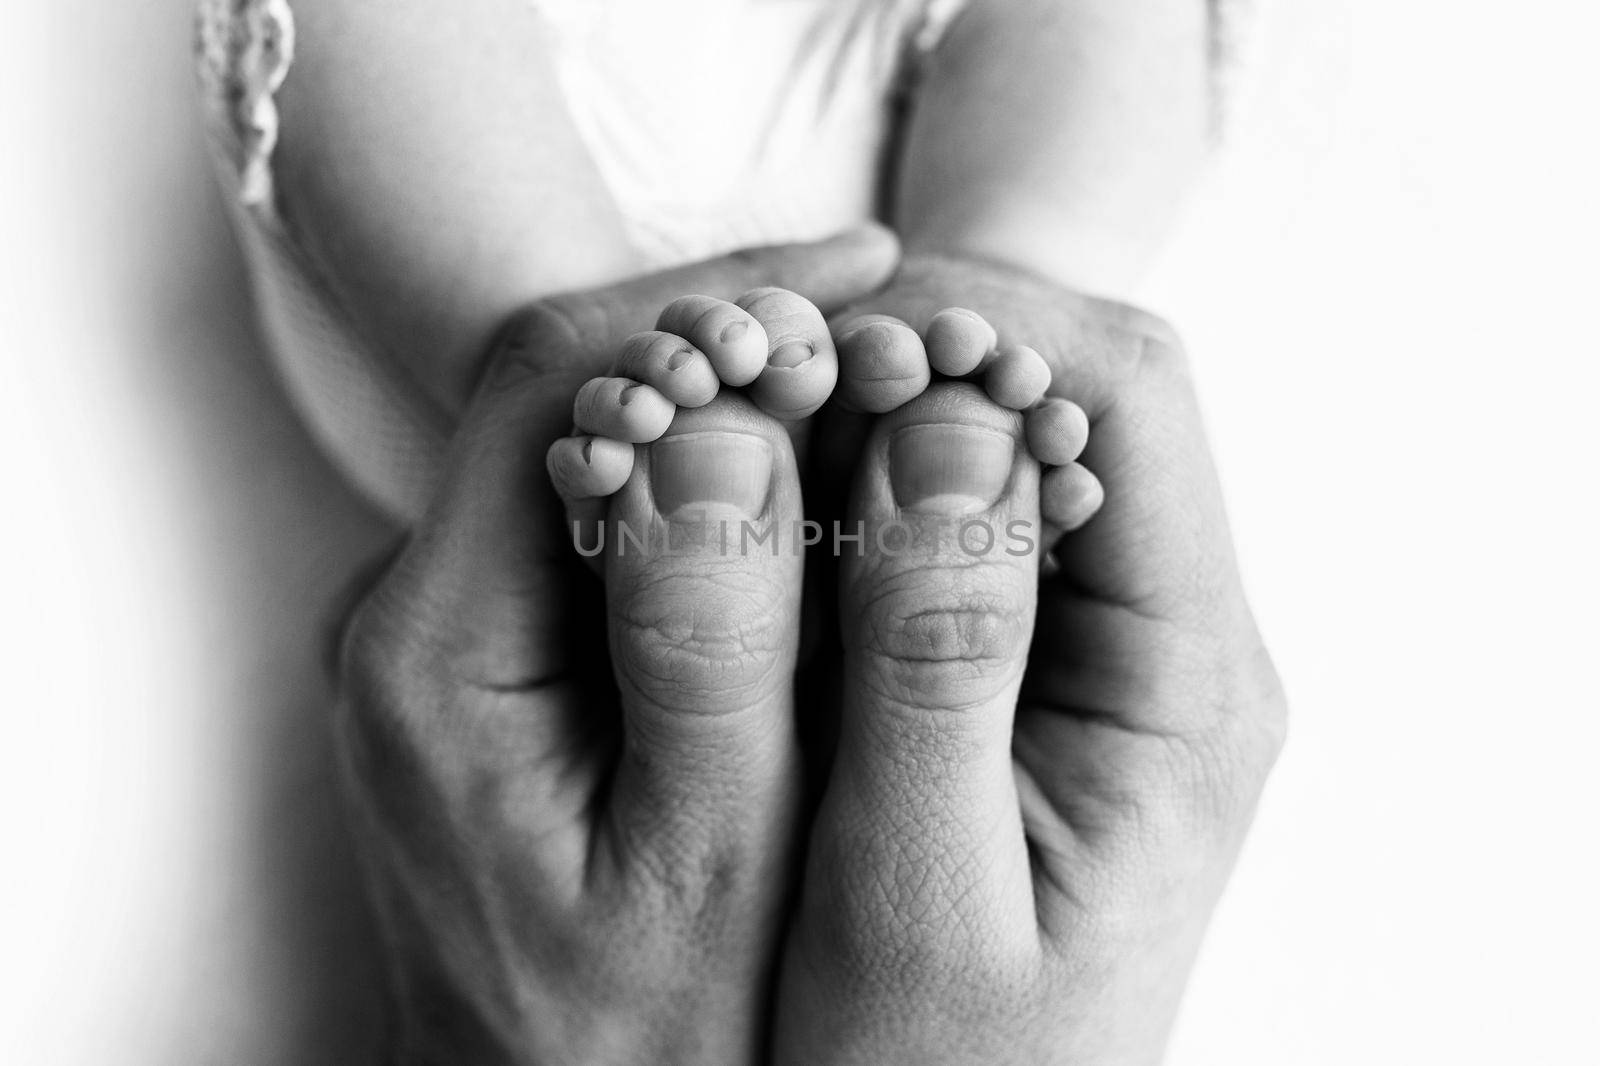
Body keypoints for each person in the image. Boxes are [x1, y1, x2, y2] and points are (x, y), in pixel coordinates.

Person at [197, 1, 1283, 1061]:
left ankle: (944, 302)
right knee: (1080, 151)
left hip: (531, 350)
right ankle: (1000, 287)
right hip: (904, 269)